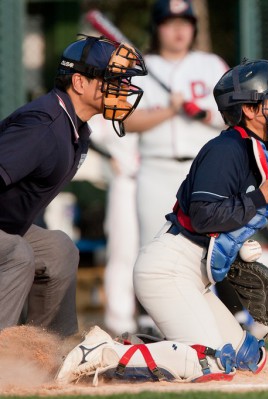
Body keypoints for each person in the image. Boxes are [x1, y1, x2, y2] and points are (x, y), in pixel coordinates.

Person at [55, 58, 268, 383]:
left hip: (193, 277)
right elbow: (204, 216)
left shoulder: (254, 149)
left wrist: (237, 248)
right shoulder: (226, 150)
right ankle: (104, 354)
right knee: (211, 365)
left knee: (249, 358)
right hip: (166, 270)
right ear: (249, 109)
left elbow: (226, 217)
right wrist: (260, 197)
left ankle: (134, 348)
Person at [0, 35, 147, 337]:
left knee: (59, 249)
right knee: (17, 253)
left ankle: (48, 354)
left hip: (7, 224)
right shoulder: (43, 125)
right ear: (80, 83)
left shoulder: (77, 129)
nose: (121, 89)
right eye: (111, 80)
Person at [124, 0, 229, 334]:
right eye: (170, 22)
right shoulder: (143, 67)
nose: (179, 29)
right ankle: (150, 325)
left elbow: (231, 115)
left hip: (203, 172)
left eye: (185, 22)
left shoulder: (210, 64)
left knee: (209, 247)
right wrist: (169, 111)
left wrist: (201, 112)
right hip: (155, 169)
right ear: (157, 28)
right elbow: (127, 120)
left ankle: (214, 320)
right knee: (151, 245)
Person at [88, 115, 140, 335]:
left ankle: (155, 319)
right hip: (128, 182)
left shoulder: (163, 95)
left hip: (165, 180)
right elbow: (85, 129)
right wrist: (109, 155)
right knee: (123, 253)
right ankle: (120, 323)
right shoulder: (117, 97)